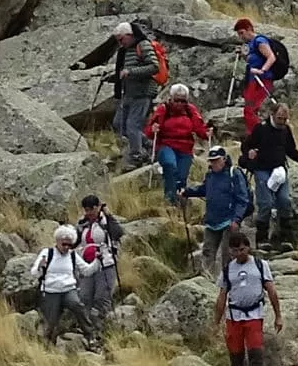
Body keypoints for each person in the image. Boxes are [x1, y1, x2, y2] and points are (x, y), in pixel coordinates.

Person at [75, 20, 170, 166]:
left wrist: (130, 72)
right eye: (118, 40)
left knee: (133, 125)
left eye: (121, 39)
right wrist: (113, 77)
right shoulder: (125, 51)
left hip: (143, 92)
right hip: (129, 93)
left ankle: (136, 155)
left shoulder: (143, 45)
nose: (120, 43)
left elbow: (153, 67)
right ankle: (149, 146)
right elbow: (125, 73)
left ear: (129, 35)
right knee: (119, 123)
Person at [213, 232, 280, 366]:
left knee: (255, 346)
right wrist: (216, 321)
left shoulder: (260, 265)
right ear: (230, 251)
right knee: (235, 349)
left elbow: (271, 290)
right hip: (234, 315)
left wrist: (278, 316)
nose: (239, 253)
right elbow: (222, 296)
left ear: (248, 247)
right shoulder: (228, 269)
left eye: (242, 249)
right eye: (235, 251)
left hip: (254, 313)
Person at [242, 102, 298, 249]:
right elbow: (246, 146)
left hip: (279, 170)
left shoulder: (285, 130)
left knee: (285, 201)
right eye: (280, 118)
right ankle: (262, 238)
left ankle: (285, 237)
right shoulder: (260, 129)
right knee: (265, 202)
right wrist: (250, 153)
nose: (282, 122)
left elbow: (291, 151)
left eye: (285, 119)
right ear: (272, 115)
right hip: (261, 169)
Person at [186, 150, 253, 272]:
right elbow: (203, 189)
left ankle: (228, 281)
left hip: (229, 220)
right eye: (211, 161)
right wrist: (186, 192)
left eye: (216, 160)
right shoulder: (210, 176)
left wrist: (236, 219)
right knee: (207, 251)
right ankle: (207, 281)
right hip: (212, 220)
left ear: (224, 159)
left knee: (227, 254)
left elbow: (242, 199)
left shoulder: (234, 174)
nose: (213, 163)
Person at [30, 224, 96, 348]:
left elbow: (86, 270)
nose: (66, 247)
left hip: (68, 290)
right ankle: (48, 343)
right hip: (50, 291)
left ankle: (90, 334)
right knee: (50, 321)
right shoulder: (47, 253)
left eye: (69, 245)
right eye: (64, 244)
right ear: (57, 241)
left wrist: (97, 261)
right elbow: (34, 273)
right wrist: (40, 266)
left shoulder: (72, 255)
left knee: (77, 306)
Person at [75, 194, 127, 343]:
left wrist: (109, 216)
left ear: (98, 207)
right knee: (84, 296)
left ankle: (102, 328)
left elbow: (118, 233)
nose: (89, 212)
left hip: (105, 264)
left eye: (91, 208)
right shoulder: (82, 223)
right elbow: (76, 240)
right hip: (87, 265)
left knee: (101, 297)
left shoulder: (106, 222)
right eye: (86, 209)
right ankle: (87, 329)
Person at [145, 85, 206, 207]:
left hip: (185, 149)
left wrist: (206, 133)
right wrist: (153, 129)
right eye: (176, 100)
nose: (179, 104)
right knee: (170, 165)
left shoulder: (190, 110)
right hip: (166, 145)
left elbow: (199, 128)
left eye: (183, 101)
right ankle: (170, 199)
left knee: (181, 178)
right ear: (171, 98)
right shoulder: (163, 110)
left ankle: (179, 201)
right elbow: (149, 132)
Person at [231, 19, 288, 128]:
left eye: (242, 33)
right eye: (238, 34)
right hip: (253, 81)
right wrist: (243, 55)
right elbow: (252, 61)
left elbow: (271, 57)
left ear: (249, 29)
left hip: (262, 81)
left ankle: (257, 135)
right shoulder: (250, 44)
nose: (240, 36)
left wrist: (262, 70)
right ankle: (255, 135)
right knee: (249, 109)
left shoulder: (260, 41)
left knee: (251, 109)